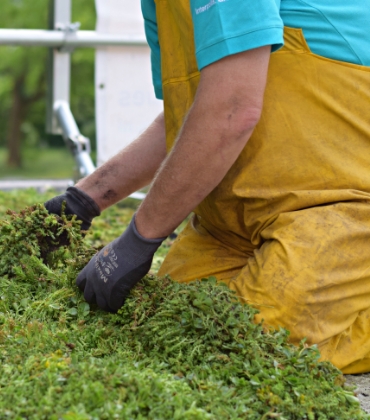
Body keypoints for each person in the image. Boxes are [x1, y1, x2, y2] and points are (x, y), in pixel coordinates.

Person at [45, 0, 370, 374]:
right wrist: (82, 201)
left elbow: (231, 110)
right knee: (172, 322)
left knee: (246, 343)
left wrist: (138, 240)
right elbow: (191, 119)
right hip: (232, 225)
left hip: (341, 205)